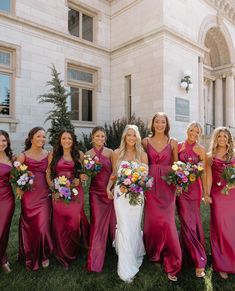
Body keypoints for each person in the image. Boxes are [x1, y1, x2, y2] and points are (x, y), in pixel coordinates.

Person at [142, 112, 182, 282]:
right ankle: (153, 251)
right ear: (153, 124)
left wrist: (179, 181)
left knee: (167, 220)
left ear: (167, 124)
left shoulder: (172, 142)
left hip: (167, 183)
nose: (159, 125)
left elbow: (176, 163)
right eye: (157, 122)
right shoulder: (145, 141)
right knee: (151, 219)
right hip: (150, 183)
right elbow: (141, 160)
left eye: (162, 122)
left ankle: (172, 256)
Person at [106, 124, 148, 283]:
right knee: (123, 225)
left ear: (137, 137)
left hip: (136, 195)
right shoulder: (117, 153)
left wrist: (136, 184)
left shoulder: (142, 154)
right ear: (124, 137)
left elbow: (145, 176)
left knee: (134, 225)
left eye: (134, 135)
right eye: (128, 135)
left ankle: (135, 251)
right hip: (120, 194)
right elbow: (114, 173)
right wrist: (108, 188)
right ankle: (125, 266)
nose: (131, 138)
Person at [47, 129, 89, 269]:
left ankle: (75, 249)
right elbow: (48, 173)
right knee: (59, 222)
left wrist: (80, 177)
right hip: (58, 191)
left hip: (75, 191)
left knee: (73, 221)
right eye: (64, 138)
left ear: (73, 140)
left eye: (69, 139)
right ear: (60, 140)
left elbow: (84, 173)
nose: (66, 141)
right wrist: (53, 189)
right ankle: (61, 253)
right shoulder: (53, 154)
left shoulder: (79, 154)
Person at [17, 127, 53, 271]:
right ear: (31, 138)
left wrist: (53, 188)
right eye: (39, 136)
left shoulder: (48, 154)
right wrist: (19, 186)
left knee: (42, 226)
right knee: (30, 226)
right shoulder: (23, 156)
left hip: (44, 194)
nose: (42, 139)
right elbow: (16, 176)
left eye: (44, 137)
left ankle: (44, 255)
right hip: (29, 196)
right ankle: (30, 254)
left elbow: (49, 174)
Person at [176, 122, 208, 277]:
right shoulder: (179, 146)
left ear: (199, 134)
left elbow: (204, 173)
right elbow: (175, 166)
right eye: (191, 130)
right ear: (187, 130)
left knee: (192, 221)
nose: (193, 134)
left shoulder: (201, 149)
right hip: (182, 190)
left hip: (194, 190)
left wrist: (205, 193)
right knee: (185, 222)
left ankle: (198, 260)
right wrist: (178, 184)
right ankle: (186, 254)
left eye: (197, 132)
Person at [207, 127, 235, 280]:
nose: (222, 139)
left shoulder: (234, 154)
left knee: (232, 228)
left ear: (228, 139)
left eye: (225, 136)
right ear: (216, 138)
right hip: (218, 195)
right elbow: (209, 177)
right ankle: (222, 264)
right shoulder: (210, 156)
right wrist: (207, 194)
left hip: (232, 194)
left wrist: (232, 185)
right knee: (220, 227)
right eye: (219, 136)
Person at [87, 126, 116, 272]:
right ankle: (95, 261)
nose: (100, 139)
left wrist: (110, 188)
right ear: (93, 137)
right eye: (97, 136)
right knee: (97, 224)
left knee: (114, 223)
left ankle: (114, 250)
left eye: (103, 136)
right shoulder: (88, 154)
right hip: (95, 194)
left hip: (109, 192)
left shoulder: (110, 152)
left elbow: (115, 171)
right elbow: (86, 175)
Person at [0, 130, 15, 273]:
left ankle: (2, 259)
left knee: (2, 230)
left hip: (6, 198)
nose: (1, 143)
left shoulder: (12, 159)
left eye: (4, 140)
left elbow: (16, 178)